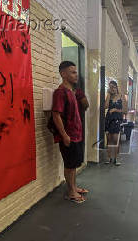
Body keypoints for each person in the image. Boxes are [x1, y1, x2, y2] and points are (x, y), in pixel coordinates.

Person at [52, 61, 89, 204]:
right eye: (72, 72)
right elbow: (56, 115)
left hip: (76, 134)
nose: (76, 75)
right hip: (68, 136)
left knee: (73, 164)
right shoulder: (60, 92)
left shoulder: (73, 92)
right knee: (69, 165)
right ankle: (71, 192)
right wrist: (64, 135)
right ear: (63, 74)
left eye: (76, 72)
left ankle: (74, 187)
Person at [105, 80, 127, 166]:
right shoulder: (109, 96)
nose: (112, 89)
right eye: (110, 87)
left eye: (113, 87)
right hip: (108, 119)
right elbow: (105, 106)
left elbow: (125, 110)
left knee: (116, 140)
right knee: (109, 140)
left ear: (116, 87)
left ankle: (116, 158)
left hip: (117, 120)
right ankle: (109, 158)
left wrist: (115, 110)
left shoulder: (121, 97)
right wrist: (108, 94)